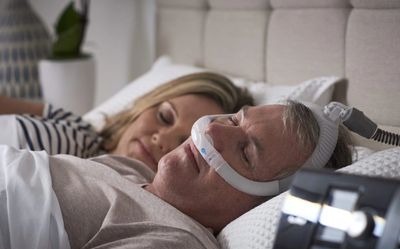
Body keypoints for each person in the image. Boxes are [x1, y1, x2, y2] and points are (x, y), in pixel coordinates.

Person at [0, 101, 352, 249]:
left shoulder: (179, 244)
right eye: (234, 119)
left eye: (246, 152)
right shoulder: (131, 170)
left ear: (263, 201)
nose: (212, 131)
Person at [0, 72, 253, 171]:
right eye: (165, 116)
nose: (162, 139)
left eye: (184, 143)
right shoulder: (76, 124)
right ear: (144, 104)